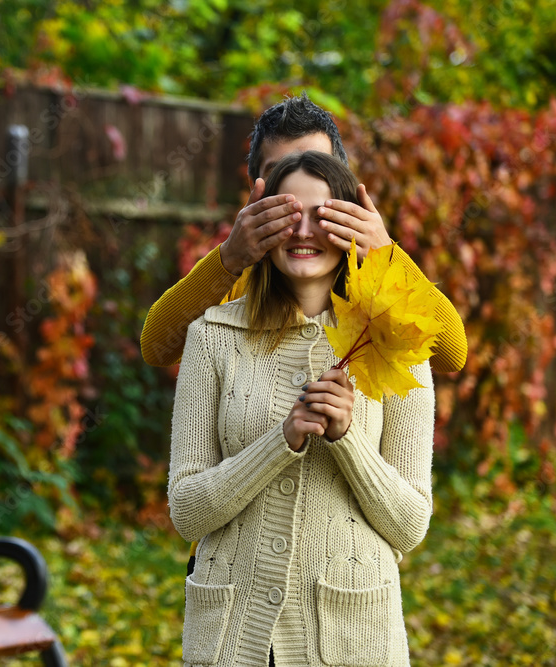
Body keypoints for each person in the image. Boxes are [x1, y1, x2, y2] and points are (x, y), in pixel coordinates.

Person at [140, 93, 466, 577]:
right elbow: (157, 345)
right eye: (281, 175)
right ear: (258, 187)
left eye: (316, 169)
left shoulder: (371, 298)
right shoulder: (238, 282)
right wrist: (231, 258)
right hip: (235, 572)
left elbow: (449, 352)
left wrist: (386, 255)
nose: (302, 218)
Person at [168, 150, 434, 666]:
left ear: (352, 224)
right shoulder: (212, 339)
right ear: (264, 225)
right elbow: (186, 510)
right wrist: (279, 442)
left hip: (353, 637)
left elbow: (409, 526)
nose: (304, 231)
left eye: (322, 214)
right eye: (289, 214)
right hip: (233, 636)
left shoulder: (396, 341)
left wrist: (347, 438)